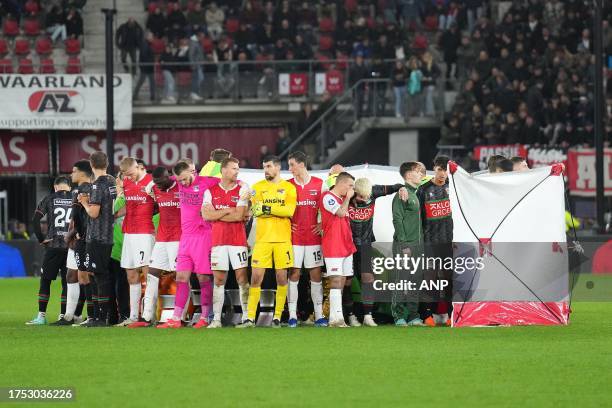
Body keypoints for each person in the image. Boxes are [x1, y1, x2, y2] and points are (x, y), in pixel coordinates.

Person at [156, 161, 220, 328]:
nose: (183, 183)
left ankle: (205, 317)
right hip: (185, 238)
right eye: (180, 180)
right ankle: (176, 318)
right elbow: (162, 180)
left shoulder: (207, 181)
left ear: (192, 172)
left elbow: (227, 184)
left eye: (185, 179)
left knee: (203, 277)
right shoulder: (177, 180)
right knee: (181, 277)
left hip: (203, 235)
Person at [239, 155, 297, 328]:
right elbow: (256, 210)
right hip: (262, 240)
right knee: (256, 278)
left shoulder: (289, 188)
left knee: (281, 277)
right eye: (264, 167)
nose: (266, 170)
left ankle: (277, 317)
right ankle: (249, 318)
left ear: (278, 167)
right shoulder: (257, 188)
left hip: (282, 240)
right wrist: (270, 210)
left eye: (269, 166)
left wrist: (267, 208)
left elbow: (289, 211)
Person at [345, 178, 407, 327]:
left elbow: (395, 186)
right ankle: (350, 315)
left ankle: (368, 315)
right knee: (346, 281)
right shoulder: (346, 195)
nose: (363, 200)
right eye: (360, 197)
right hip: (347, 245)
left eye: (366, 197)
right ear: (355, 192)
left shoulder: (374, 191)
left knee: (368, 278)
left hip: (365, 244)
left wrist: (402, 189)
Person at [129, 166, 181, 327]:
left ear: (169, 177)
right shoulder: (153, 188)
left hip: (179, 238)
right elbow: (155, 207)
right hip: (162, 238)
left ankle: (181, 317)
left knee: (181, 276)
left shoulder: (180, 186)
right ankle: (146, 317)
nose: (158, 185)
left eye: (161, 182)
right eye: (156, 182)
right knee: (152, 273)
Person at [202, 158, 251, 328]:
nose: (237, 171)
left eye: (238, 168)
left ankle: (247, 317)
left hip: (238, 240)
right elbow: (207, 216)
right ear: (223, 170)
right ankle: (216, 319)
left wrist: (218, 213)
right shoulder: (210, 191)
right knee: (219, 280)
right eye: (233, 168)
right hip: (218, 241)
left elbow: (239, 216)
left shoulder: (243, 188)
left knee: (242, 277)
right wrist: (229, 209)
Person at [287, 151, 327, 327]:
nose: (290, 169)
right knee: (294, 274)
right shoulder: (287, 186)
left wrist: (323, 225)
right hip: (294, 239)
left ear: (302, 164)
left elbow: (328, 208)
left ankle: (319, 315)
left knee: (316, 275)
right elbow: (281, 210)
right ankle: (292, 316)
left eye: (292, 165)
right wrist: (286, 225)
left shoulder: (319, 184)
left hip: (313, 238)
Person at [25, 176, 73, 325]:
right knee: (67, 283)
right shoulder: (75, 198)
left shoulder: (49, 198)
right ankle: (63, 315)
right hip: (70, 247)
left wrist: (41, 239)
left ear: (55, 187)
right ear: (69, 187)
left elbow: (35, 220)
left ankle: (41, 316)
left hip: (53, 246)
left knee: (45, 281)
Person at [114, 158, 155, 326]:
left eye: (131, 174)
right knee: (131, 275)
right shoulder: (125, 182)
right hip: (129, 233)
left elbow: (161, 205)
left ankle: (149, 316)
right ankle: (133, 316)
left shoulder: (151, 182)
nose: (129, 178)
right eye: (126, 176)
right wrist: (116, 213)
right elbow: (127, 205)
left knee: (148, 274)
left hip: (145, 233)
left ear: (138, 168)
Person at [78, 151, 117, 326]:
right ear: (107, 164)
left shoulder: (96, 186)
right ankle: (104, 315)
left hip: (97, 236)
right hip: (108, 235)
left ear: (92, 165)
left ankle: (101, 317)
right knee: (101, 274)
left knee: (98, 275)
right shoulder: (112, 182)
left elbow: (93, 213)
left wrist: (84, 202)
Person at [55, 161, 93, 326]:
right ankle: (70, 316)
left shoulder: (89, 189)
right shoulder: (76, 190)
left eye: (74, 171)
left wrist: (75, 232)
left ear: (83, 173)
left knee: (86, 277)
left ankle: (90, 315)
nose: (71, 174)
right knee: (71, 275)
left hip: (84, 238)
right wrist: (71, 231)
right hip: (75, 237)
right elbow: (74, 215)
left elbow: (88, 215)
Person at [416, 156, 453, 327]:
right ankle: (426, 314)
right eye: (440, 169)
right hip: (429, 241)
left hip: (448, 241)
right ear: (434, 169)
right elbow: (418, 219)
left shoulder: (453, 188)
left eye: (446, 170)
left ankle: (451, 314)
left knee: (448, 277)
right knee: (429, 277)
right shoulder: (423, 190)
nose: (443, 174)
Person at [320, 172, 357, 327]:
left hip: (345, 244)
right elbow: (341, 213)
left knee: (342, 280)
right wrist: (348, 198)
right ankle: (334, 319)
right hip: (333, 244)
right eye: (350, 186)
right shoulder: (327, 197)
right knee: (335, 279)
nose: (351, 190)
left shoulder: (341, 199)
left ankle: (337, 316)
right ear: (340, 183)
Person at [391, 162, 424, 326]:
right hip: (405, 246)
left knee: (415, 281)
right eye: (418, 172)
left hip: (417, 246)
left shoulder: (414, 193)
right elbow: (397, 219)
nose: (422, 174)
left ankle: (413, 316)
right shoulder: (402, 194)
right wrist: (404, 245)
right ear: (409, 174)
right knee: (402, 280)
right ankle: (399, 316)